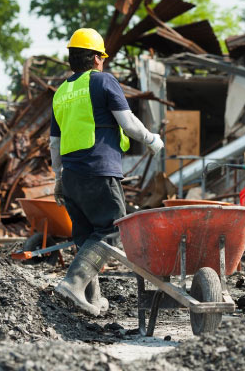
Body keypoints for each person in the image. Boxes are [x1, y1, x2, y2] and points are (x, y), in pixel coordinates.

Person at [50, 28, 164, 316]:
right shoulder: (103, 82)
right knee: (113, 231)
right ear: (98, 59)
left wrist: (58, 179)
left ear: (72, 60)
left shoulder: (61, 93)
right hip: (99, 170)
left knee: (87, 235)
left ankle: (91, 299)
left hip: (71, 176)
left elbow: (54, 144)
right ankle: (73, 285)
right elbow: (127, 123)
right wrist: (151, 140)